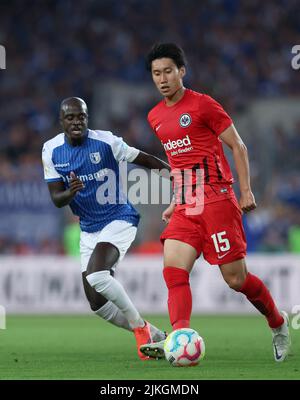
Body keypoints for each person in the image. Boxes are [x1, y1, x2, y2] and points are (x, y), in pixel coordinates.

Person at [140, 43, 291, 362]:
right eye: (156, 73)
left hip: (218, 200)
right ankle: (179, 337)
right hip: (186, 205)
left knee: (236, 279)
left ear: (182, 71)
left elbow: (239, 146)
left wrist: (246, 191)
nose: (163, 78)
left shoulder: (203, 105)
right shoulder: (155, 116)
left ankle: (278, 324)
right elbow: (180, 161)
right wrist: (175, 199)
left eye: (168, 71)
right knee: (173, 271)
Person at [42, 97, 170, 360]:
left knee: (98, 275)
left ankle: (139, 328)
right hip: (88, 229)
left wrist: (177, 179)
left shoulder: (106, 142)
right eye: (70, 117)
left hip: (118, 218)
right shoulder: (51, 150)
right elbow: (57, 199)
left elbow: (143, 159)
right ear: (61, 121)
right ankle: (157, 336)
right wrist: (71, 192)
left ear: (87, 119)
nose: (76, 122)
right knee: (96, 303)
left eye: (81, 117)